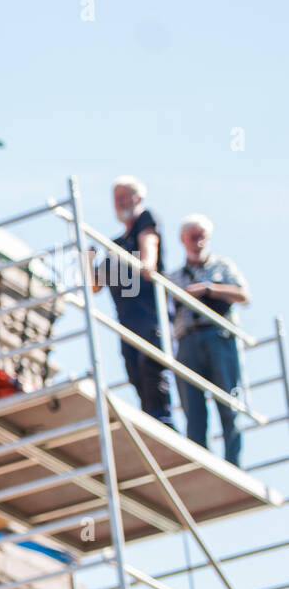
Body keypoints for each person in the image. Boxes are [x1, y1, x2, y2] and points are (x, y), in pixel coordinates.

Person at [92, 176, 176, 427]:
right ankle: (153, 425)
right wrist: (87, 259)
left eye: (124, 197)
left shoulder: (146, 220)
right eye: (116, 198)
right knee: (135, 373)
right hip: (128, 323)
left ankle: (164, 425)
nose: (119, 203)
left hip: (150, 315)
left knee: (152, 370)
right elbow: (95, 286)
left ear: (138, 198)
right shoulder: (115, 245)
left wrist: (145, 261)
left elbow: (148, 260)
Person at [168, 214, 250, 466]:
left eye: (202, 236)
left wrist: (209, 289)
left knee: (229, 405)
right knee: (193, 411)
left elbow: (243, 294)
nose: (198, 242)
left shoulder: (222, 267)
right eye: (193, 237)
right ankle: (201, 464)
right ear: (183, 240)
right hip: (188, 342)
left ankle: (233, 465)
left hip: (219, 338)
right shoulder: (174, 277)